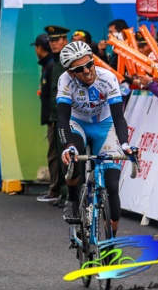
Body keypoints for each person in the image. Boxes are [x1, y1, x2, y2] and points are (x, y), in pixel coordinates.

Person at [58, 41, 134, 237]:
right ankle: (73, 198)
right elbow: (62, 118)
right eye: (79, 68)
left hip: (104, 126)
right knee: (75, 155)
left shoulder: (108, 78)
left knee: (111, 185)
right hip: (78, 125)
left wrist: (124, 144)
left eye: (89, 64)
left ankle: (111, 241)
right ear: (71, 72)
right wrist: (68, 146)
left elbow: (118, 117)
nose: (87, 70)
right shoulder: (65, 81)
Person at [32, 33, 61, 204]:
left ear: (39, 48)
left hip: (55, 117)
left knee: (55, 154)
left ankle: (56, 189)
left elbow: (52, 95)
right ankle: (55, 187)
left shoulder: (51, 65)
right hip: (52, 117)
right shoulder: (49, 64)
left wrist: (52, 116)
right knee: (54, 153)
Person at [45, 25, 70, 204]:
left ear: (65, 41)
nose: (53, 44)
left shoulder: (67, 61)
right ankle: (63, 192)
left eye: (56, 40)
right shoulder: (54, 62)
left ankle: (70, 193)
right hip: (56, 116)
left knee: (67, 156)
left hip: (67, 116)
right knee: (59, 155)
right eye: (51, 41)